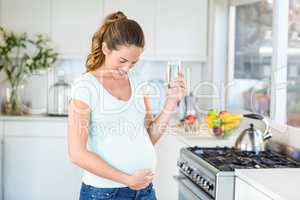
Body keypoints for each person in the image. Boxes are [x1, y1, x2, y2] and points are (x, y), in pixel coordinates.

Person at [68, 11, 186, 200]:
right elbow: (77, 153)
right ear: (106, 49)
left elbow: (149, 136)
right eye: (122, 61)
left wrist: (171, 103)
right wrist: (126, 179)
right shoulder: (85, 86)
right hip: (104, 194)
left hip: (144, 191)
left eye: (133, 63)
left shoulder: (138, 81)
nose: (126, 69)